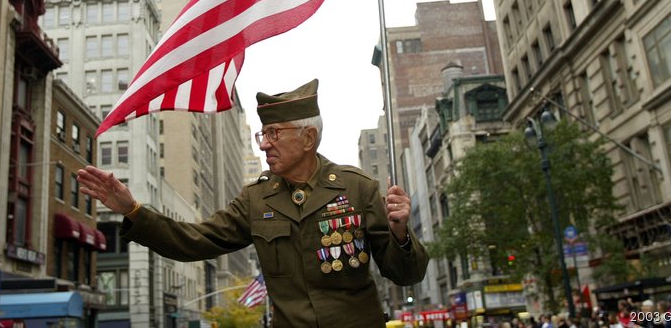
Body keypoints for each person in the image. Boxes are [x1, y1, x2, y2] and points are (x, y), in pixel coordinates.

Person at [78, 79, 429, 327]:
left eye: (275, 133)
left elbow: (405, 274)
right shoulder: (256, 198)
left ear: (308, 138)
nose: (264, 144)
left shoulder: (359, 189)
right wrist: (132, 211)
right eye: (263, 134)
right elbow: (194, 240)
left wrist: (400, 234)